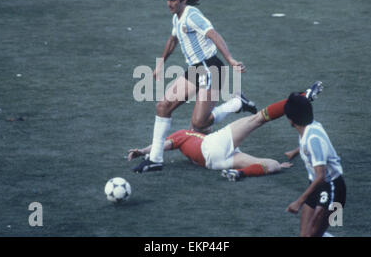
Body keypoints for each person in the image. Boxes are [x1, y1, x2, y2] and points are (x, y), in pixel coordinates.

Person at [133, 0, 257, 173]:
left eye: (173, 0)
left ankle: (236, 103)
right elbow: (172, 40)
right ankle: (155, 159)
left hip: (211, 69)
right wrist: (160, 65)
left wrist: (231, 59)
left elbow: (214, 35)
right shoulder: (177, 17)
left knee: (199, 123)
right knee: (163, 106)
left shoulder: (192, 15)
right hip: (195, 70)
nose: (169, 4)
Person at [129, 82, 324, 180]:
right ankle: (304, 97)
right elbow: (164, 143)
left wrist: (142, 151)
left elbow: (162, 146)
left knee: (273, 165)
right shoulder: (183, 134)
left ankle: (239, 174)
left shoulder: (192, 138)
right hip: (211, 147)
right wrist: (145, 151)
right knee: (258, 119)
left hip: (217, 162)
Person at [283, 92, 346, 237]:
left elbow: (321, 177)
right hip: (317, 186)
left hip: (332, 189)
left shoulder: (313, 140)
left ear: (292, 121)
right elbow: (311, 147)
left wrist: (299, 202)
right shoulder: (310, 126)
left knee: (313, 234)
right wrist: (296, 151)